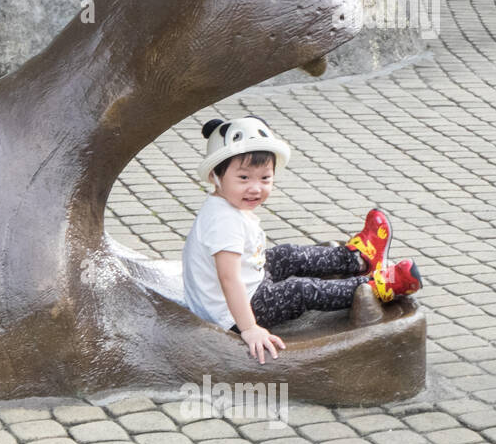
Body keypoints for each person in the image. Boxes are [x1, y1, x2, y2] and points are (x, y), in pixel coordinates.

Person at [181, 116, 422, 364]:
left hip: (244, 285)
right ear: (214, 175)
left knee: (285, 255)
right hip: (232, 314)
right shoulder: (224, 222)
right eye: (244, 178)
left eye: (265, 178)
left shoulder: (226, 208)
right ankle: (375, 287)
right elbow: (228, 278)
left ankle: (358, 258)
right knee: (300, 291)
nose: (255, 188)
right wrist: (249, 328)